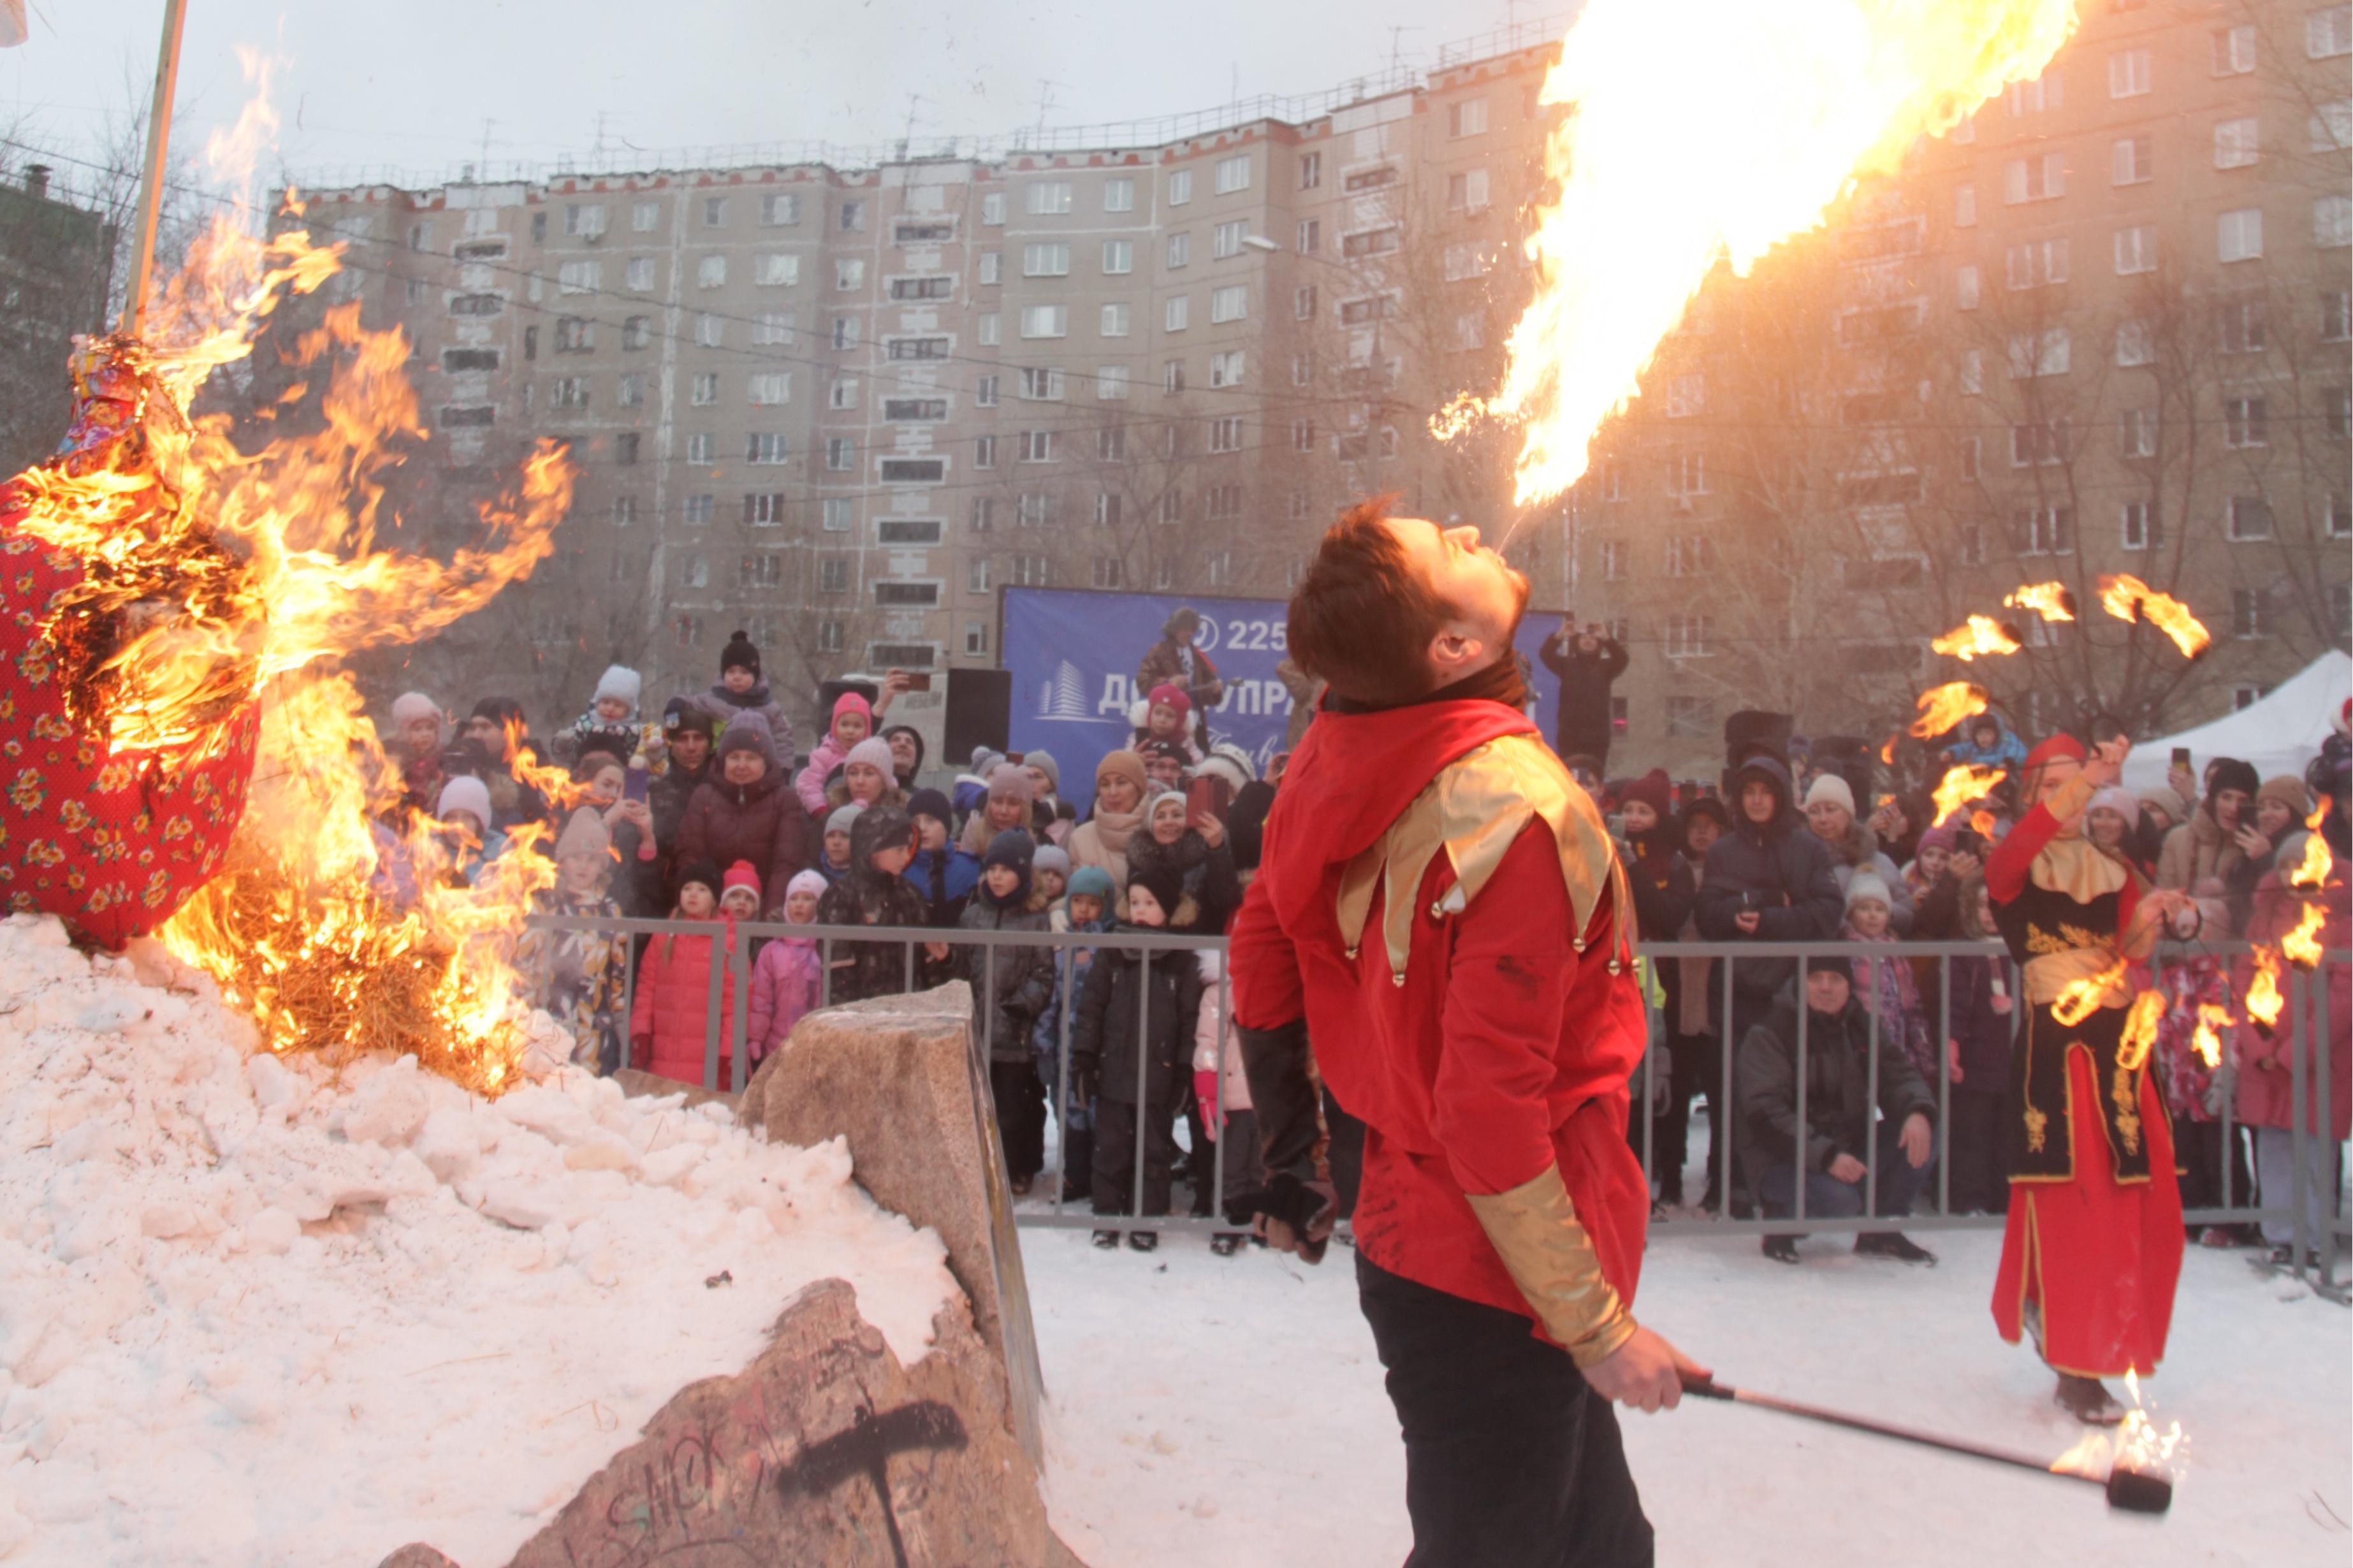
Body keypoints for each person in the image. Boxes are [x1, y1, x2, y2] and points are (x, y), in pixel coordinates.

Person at [1231, 503, 1703, 1568]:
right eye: (1447, 548)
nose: (1465, 529)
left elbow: (1261, 937)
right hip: (1492, 1284)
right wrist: (1598, 1331)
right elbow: (1489, 1116)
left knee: (1605, 1552)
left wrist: (1291, 1165)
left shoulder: (1340, 736)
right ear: (1453, 649)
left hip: (1424, 1238)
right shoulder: (1518, 818)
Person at [1986, 734, 2190, 1426]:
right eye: (2054, 786)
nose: (2070, 800)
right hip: (2059, 1049)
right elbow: (2018, 855)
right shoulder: (2012, 860)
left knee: (2143, 1200)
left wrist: (2158, 916)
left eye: (2081, 786)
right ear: (2031, 793)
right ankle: (2078, 1365)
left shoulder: (2112, 863)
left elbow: (2128, 951)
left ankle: (2111, 1340)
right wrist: (2088, 779)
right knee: (2080, 1207)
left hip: (2118, 1046)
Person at [1737, 958, 1939, 1265]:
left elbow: (1898, 1074)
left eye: (1836, 979)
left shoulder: (1860, 1024)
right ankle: (1781, 1221)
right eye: (1816, 978)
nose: (1826, 987)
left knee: (1929, 1128)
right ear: (1801, 983)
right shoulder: (1771, 1031)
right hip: (1783, 1156)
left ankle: (1879, 1230)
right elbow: (1767, 1115)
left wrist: (1917, 1112)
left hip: (1848, 1145)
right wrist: (1827, 1156)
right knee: (1840, 1201)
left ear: (1849, 986)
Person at [1694, 755, 1844, 1139]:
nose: (1757, 801)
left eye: (1765, 793)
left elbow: (1828, 912)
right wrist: (1738, 911)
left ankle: (1790, 1182)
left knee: (1789, 1090)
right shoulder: (1723, 851)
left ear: (1780, 797)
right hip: (1735, 991)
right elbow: (1707, 914)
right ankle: (1729, 1184)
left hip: (1791, 989)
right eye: (1749, 792)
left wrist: (1769, 920)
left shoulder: (1808, 848)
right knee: (1729, 1090)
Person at [2153, 757, 2258, 1245]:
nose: (2234, 807)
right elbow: (2164, 903)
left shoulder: (2250, 846)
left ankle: (2232, 1211)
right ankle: (2190, 1204)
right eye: (2227, 796)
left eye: (2243, 799)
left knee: (2221, 1106)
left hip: (2228, 974)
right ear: (2211, 797)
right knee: (2183, 1104)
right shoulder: (2180, 840)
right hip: (2182, 970)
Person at [1072, 863, 1203, 1249]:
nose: (1142, 909)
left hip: (1158, 1074)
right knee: (1110, 1148)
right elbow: (1092, 1007)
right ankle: (1108, 1215)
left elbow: (1189, 1017)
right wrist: (1085, 1057)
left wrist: (1183, 1068)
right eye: (1135, 902)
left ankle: (1147, 1218)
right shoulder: (1113, 952)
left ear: (1169, 909)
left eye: (1150, 902)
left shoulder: (1180, 958)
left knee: (1153, 1150)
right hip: (1115, 1067)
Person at [959, 829, 1056, 1195]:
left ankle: (1021, 1166)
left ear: (1023, 873)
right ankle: (980, 1168)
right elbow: (961, 965)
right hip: (977, 1028)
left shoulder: (1035, 919)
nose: (997, 877)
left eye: (1005, 869)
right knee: (977, 1104)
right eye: (991, 868)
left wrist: (1023, 1004)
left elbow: (1043, 972)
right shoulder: (972, 916)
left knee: (1017, 1107)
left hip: (1015, 1031)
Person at [517, 808, 631, 1075]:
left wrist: (619, 1017)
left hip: (594, 1021)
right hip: (550, 1015)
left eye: (592, 859)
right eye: (576, 858)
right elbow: (524, 960)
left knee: (590, 1092)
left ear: (601, 866)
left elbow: (619, 970)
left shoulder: (610, 910)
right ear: (563, 861)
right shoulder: (544, 904)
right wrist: (525, 1010)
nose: (583, 866)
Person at [1663, 796, 1730, 1211]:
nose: (1702, 832)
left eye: (1711, 825)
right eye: (1695, 824)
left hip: (1719, 989)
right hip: (1674, 990)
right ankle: (1670, 1175)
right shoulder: (1672, 870)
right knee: (1674, 1091)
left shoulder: (1732, 871)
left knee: (1721, 1094)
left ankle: (1719, 1178)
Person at [674, 713, 809, 915]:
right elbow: (690, 856)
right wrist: (702, 910)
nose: (741, 766)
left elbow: (786, 865)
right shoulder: (704, 796)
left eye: (751, 758)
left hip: (762, 910)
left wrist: (770, 918)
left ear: (766, 763)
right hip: (711, 913)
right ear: (723, 761)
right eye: (734, 757)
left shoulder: (785, 800)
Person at [813, 801, 949, 1003]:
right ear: (873, 848)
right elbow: (837, 970)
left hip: (908, 1015)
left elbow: (928, 966)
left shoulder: (911, 894)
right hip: (860, 1019)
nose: (906, 857)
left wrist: (945, 961)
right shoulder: (841, 895)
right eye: (899, 850)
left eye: (909, 848)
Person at [1038, 864, 1118, 1201]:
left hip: (1100, 1046)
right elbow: (1052, 996)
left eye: (1094, 904)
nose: (1084, 911)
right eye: (1077, 902)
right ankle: (1075, 1174)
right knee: (1070, 1110)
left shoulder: (1112, 947)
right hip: (1066, 1046)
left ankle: (1104, 1176)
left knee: (1100, 1111)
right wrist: (1043, 1037)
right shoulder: (1063, 946)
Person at [628, 860, 738, 1088]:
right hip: (662, 1055)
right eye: (687, 889)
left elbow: (734, 1002)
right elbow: (646, 988)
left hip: (705, 1061)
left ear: (716, 898)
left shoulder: (730, 942)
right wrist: (640, 1031)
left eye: (702, 889)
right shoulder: (663, 936)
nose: (693, 895)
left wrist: (728, 1052)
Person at [1944, 875, 2013, 1215]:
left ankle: (2004, 1197)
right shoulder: (1964, 951)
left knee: (2006, 1132)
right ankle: (1970, 1197)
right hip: (1976, 1055)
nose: (1990, 914)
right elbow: (1954, 1004)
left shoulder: (2021, 950)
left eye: (1997, 907)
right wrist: (1952, 1046)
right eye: (1982, 906)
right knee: (1973, 1132)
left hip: (2012, 1055)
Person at [1192, 947, 1264, 1255]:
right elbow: (1209, 1041)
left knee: (1262, 1165)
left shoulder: (1276, 986)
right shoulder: (1220, 993)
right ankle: (1230, 1222)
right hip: (1233, 1094)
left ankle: (1261, 1220)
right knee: (1232, 1165)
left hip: (1267, 1096)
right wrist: (1208, 1085)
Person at [1802, 774, 1913, 933]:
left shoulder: (1877, 861)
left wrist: (1880, 911)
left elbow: (1907, 913)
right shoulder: (1799, 860)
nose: (1823, 819)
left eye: (1831, 810)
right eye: (1814, 812)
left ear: (1848, 814)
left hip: (1872, 955)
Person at [1128, 788, 1241, 935]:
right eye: (1160, 817)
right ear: (1151, 826)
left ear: (1191, 823)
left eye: (1177, 815)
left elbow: (1226, 899)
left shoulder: (1208, 856)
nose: (1168, 822)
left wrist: (1217, 849)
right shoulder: (1140, 862)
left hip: (1199, 949)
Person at [570, 748, 662, 917]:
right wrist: (608, 821)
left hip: (618, 920)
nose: (613, 794)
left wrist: (647, 837)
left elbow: (646, 887)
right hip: (574, 922)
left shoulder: (626, 825)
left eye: (619, 788)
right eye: (607, 785)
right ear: (585, 783)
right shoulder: (563, 817)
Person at [748, 869, 828, 1063]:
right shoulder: (771, 951)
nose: (799, 904)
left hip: (816, 1046)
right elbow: (762, 1000)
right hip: (777, 1045)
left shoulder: (825, 948)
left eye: (808, 899)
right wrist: (755, 1038)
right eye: (794, 898)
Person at [1538, 620, 1628, 769]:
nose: (1588, 641)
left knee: (1593, 778)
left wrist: (1607, 638)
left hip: (1597, 738)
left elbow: (1622, 659)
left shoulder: (1606, 667)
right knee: (1570, 778)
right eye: (1584, 638)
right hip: (1569, 736)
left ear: (1599, 644)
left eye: (1592, 639)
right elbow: (1545, 654)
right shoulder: (1566, 665)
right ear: (1576, 642)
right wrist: (1560, 635)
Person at [1069, 749, 1149, 918]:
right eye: (1105, 785)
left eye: (1121, 783)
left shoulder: (1158, 833)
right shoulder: (1080, 838)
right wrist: (1057, 912)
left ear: (1139, 789)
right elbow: (1071, 897)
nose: (1113, 793)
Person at [693, 629, 794, 763]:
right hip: (717, 769)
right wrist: (676, 705)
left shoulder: (769, 708)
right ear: (723, 675)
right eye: (731, 672)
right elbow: (691, 705)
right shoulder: (712, 701)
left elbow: (782, 739)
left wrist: (783, 768)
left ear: (756, 676)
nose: (737, 677)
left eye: (744, 672)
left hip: (758, 770)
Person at [648, 699, 718, 890]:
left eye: (698, 738)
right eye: (682, 739)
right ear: (671, 744)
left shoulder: (724, 790)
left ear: (710, 743)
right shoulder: (656, 794)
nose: (691, 747)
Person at [1135, 607, 1224, 751]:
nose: (1190, 633)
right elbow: (1143, 680)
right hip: (1167, 723)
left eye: (1192, 629)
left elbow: (1207, 689)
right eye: (1186, 629)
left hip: (1195, 722)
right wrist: (1167, 683)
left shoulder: (1197, 654)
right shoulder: (1159, 651)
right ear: (1175, 629)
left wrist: (1215, 690)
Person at [462, 697, 551, 835]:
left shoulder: (533, 770)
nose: (476, 735)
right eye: (472, 728)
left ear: (509, 731)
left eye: (485, 728)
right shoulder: (463, 761)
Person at [906, 788, 979, 926]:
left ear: (946, 827)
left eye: (931, 820)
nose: (922, 828)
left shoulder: (970, 869)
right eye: (915, 821)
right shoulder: (900, 868)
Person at [796, 690, 875, 815]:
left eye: (857, 726)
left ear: (866, 730)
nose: (850, 731)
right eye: (844, 725)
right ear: (835, 727)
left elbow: (887, 784)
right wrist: (820, 810)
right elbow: (809, 784)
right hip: (830, 814)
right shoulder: (823, 755)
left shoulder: (873, 757)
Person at [432, 775, 506, 885]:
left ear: (479, 823)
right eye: (452, 817)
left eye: (467, 817)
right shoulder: (428, 848)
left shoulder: (499, 850)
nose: (459, 825)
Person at [568, 665, 644, 768]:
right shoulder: (584, 724)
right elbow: (571, 751)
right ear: (597, 702)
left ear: (628, 711)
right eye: (606, 702)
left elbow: (638, 754)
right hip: (585, 770)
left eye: (618, 705)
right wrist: (563, 742)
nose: (610, 709)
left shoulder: (633, 731)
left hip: (620, 773)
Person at [389, 692, 449, 821]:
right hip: (403, 815)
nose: (425, 734)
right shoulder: (397, 759)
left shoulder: (442, 758)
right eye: (418, 729)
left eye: (430, 729)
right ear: (404, 733)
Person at [958, 763, 1038, 854]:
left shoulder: (1034, 841)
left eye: (1013, 804)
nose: (1003, 811)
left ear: (1026, 809)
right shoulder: (974, 832)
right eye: (998, 802)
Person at [1944, 715, 2027, 771]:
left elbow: (2018, 750)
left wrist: (2008, 762)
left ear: (1996, 735)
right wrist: (1951, 753)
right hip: (1978, 779)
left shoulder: (2005, 742)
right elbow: (1962, 748)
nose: (1983, 737)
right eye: (1980, 734)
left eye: (1988, 733)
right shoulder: (1974, 746)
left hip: (2003, 776)